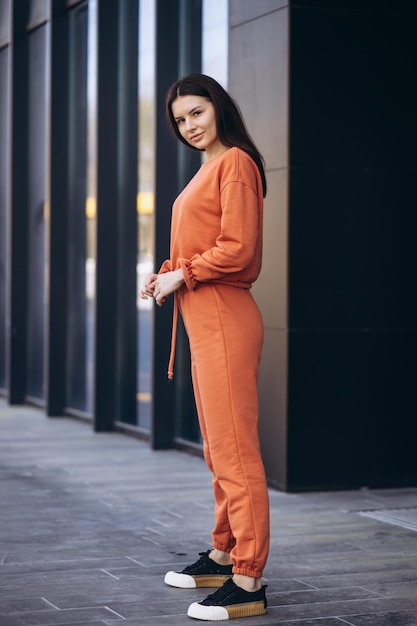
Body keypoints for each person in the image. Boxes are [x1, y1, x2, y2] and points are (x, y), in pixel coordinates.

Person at [139, 73, 270, 621]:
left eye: (197, 112)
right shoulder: (209, 168)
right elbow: (208, 244)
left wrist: (181, 274)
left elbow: (238, 251)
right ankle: (222, 553)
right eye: (179, 119)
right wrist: (169, 274)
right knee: (219, 449)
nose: (189, 126)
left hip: (223, 316)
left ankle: (248, 579)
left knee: (235, 452)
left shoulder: (235, 162)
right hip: (204, 317)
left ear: (218, 108)